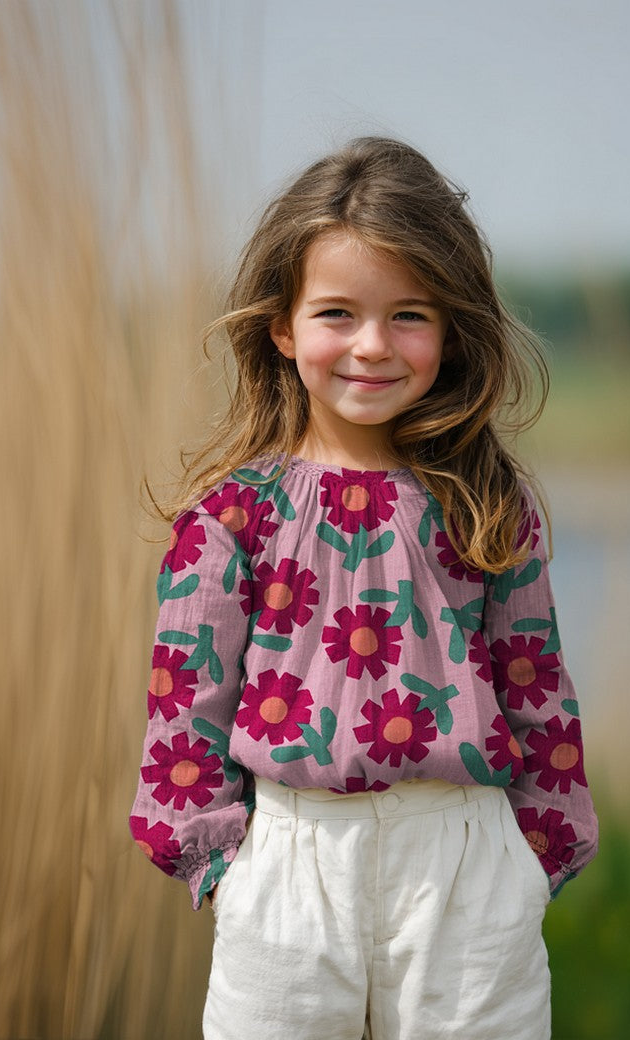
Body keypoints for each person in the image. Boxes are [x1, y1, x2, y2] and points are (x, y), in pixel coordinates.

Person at [129, 136, 598, 1040]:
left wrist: (536, 856)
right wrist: (222, 867)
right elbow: (184, 707)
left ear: (452, 328)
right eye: (338, 313)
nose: (373, 345)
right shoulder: (231, 518)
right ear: (282, 326)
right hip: (289, 871)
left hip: (466, 869)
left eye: (409, 315)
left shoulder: (486, 505)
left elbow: (538, 688)